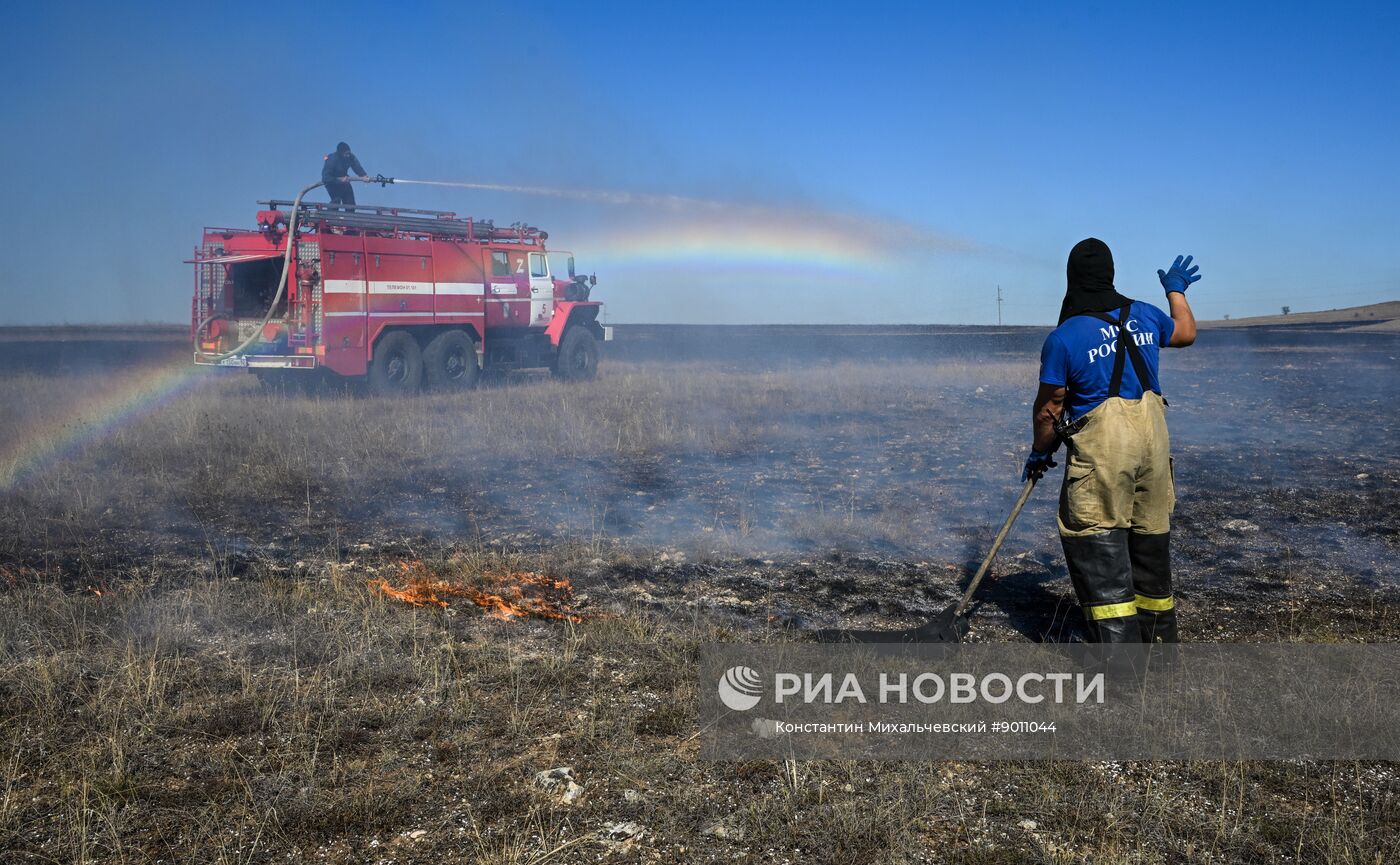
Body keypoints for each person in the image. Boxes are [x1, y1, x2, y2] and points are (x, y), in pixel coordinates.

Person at [1022, 238, 1200, 646]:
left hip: (1104, 453)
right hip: (1153, 446)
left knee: (1099, 543)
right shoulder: (1145, 316)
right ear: (1110, 274)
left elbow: (1050, 406)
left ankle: (1122, 669)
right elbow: (1186, 333)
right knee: (1149, 543)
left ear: (1072, 280)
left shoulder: (1064, 337)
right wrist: (1175, 290)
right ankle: (1160, 653)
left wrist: (1040, 450)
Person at [322, 142, 369, 207]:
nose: (348, 156)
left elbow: (356, 166)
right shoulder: (332, 160)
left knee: (350, 204)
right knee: (336, 201)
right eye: (346, 154)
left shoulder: (350, 157)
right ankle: (331, 216)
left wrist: (363, 175)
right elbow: (325, 178)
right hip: (332, 183)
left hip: (344, 181)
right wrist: (339, 180)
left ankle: (350, 216)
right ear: (340, 153)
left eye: (349, 153)